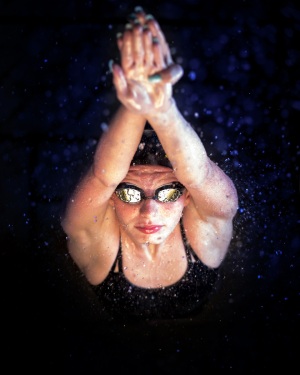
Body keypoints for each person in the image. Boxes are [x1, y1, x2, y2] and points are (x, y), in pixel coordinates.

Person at [61, 7, 238, 319]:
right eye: (129, 193)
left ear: (186, 198)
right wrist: (143, 106)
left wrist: (162, 110)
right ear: (111, 202)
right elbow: (103, 178)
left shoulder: (206, 224)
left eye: (168, 193)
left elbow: (199, 174)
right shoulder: (92, 235)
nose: (149, 211)